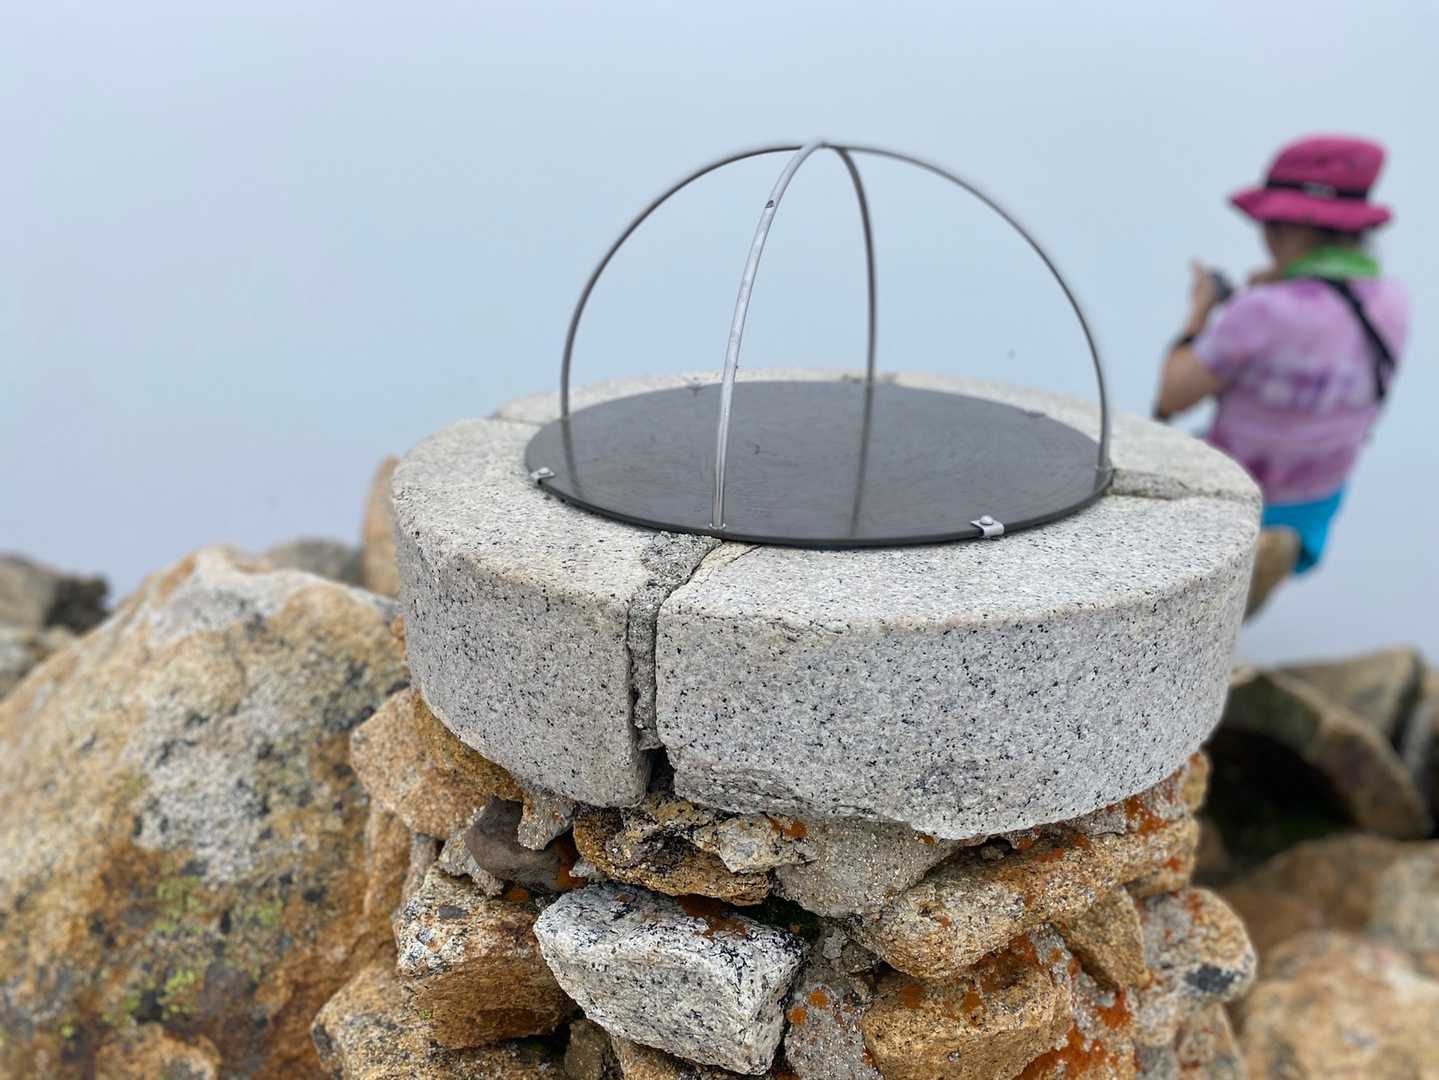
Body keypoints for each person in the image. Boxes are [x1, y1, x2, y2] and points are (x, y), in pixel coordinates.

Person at [1155, 135, 1409, 593]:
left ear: (1298, 227)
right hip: (1313, 507)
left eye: (1272, 225)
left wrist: (1200, 312)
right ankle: (1271, 553)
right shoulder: (1393, 301)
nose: (1266, 237)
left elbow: (1173, 396)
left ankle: (1243, 553)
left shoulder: (1263, 311)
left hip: (1234, 500)